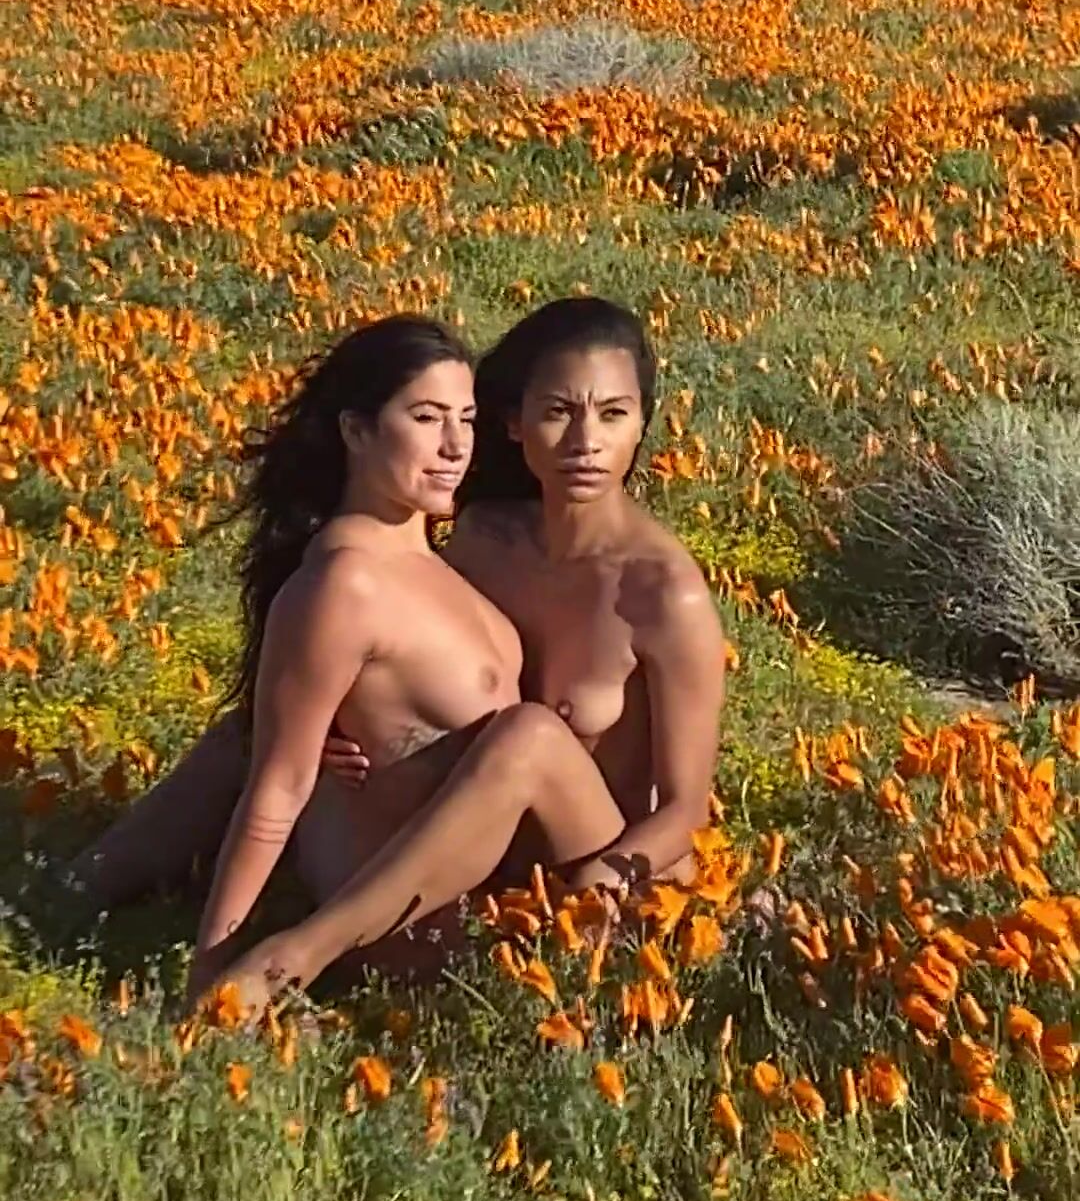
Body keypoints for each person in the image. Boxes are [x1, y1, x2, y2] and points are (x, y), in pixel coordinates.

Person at [69, 298, 728, 1013]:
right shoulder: (481, 535)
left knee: (532, 734)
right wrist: (332, 723)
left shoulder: (664, 592)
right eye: (558, 412)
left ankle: (301, 954)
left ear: (642, 424)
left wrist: (587, 897)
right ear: (514, 422)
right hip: (473, 849)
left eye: (614, 414)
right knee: (252, 738)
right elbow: (424, 655)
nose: (586, 442)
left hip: (593, 871)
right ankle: (67, 891)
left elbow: (684, 811)